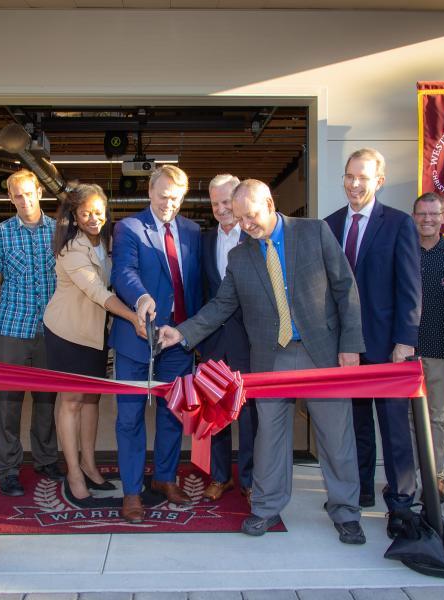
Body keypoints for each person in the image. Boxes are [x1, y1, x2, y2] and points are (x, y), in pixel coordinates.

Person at [159, 180, 367, 545]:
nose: (245, 225)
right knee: (270, 438)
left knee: (336, 437)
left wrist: (350, 344)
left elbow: (345, 287)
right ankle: (267, 508)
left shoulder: (314, 232)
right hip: (273, 357)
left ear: (270, 203)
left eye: (250, 216)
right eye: (239, 219)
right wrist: (183, 332)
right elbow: (222, 305)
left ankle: (346, 512)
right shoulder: (240, 256)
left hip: (322, 353)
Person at [324, 148, 421, 538]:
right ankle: (361, 490)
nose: (354, 183)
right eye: (349, 176)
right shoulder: (329, 225)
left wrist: (405, 341)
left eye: (363, 177)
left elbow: (410, 288)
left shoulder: (398, 224)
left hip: (386, 346)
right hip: (345, 347)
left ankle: (400, 503)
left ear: (378, 181)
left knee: (395, 426)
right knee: (356, 423)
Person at [108, 164, 203, 524]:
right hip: (137, 339)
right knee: (130, 418)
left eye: (176, 199)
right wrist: (142, 298)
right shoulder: (129, 228)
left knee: (173, 414)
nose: (169, 204)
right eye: (163, 196)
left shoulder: (193, 231)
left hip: (178, 341)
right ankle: (132, 491)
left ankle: (164, 478)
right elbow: (124, 273)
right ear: (150, 191)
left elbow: (197, 284)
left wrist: (195, 332)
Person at [42, 184, 144, 507]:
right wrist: (133, 317)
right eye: (85, 212)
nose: (93, 218)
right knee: (71, 401)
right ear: (74, 214)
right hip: (68, 333)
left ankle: (89, 464)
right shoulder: (71, 248)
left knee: (91, 401)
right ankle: (73, 473)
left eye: (98, 211)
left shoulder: (105, 241)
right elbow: (98, 292)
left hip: (95, 334)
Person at [0, 169, 61, 498]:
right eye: (17, 195)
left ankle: (45, 459)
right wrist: (15, 310)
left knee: (47, 400)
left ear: (40, 191)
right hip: (12, 330)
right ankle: (7, 467)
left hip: (50, 331)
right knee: (8, 402)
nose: (24, 199)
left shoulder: (59, 232)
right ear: (11, 197)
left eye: (29, 193)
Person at [199, 174, 257, 503]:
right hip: (213, 341)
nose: (221, 209)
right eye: (215, 203)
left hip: (248, 340)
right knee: (216, 412)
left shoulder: (253, 237)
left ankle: (247, 478)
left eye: (226, 202)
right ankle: (220, 476)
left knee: (249, 416)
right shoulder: (204, 241)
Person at [412, 192, 444, 503]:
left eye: (434, 214)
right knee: (404, 419)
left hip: (439, 349)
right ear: (413, 217)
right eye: (421, 214)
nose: (427, 219)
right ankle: (409, 476)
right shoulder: (404, 251)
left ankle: (436, 477)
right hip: (404, 350)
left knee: (437, 417)